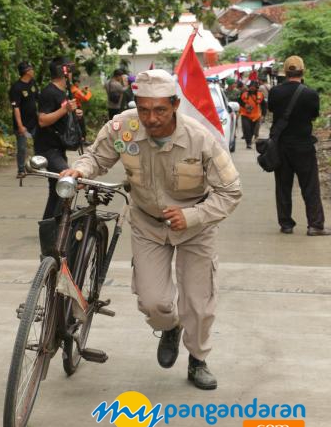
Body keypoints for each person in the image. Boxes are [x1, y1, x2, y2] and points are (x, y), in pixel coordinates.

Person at [62, 69, 242, 389]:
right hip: (147, 223)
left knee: (198, 303)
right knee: (152, 302)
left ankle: (198, 359)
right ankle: (170, 327)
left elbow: (231, 192)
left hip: (195, 228)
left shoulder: (200, 139)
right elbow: (96, 158)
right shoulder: (123, 127)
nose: (151, 118)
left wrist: (194, 216)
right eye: (144, 109)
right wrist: (79, 170)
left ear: (174, 104)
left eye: (160, 109)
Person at [268, 56, 330, 236]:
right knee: (310, 186)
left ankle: (286, 224)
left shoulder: (275, 92)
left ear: (285, 72)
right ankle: (315, 225)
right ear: (302, 72)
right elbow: (313, 115)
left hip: (281, 147)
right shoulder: (311, 94)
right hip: (303, 146)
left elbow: (272, 110)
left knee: (283, 186)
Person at [34, 57, 82, 220]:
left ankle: (50, 225)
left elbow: (62, 115)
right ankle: (54, 225)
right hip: (48, 148)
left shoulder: (63, 92)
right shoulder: (49, 92)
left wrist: (73, 113)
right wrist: (65, 110)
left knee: (57, 189)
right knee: (66, 181)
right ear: (64, 72)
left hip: (58, 147)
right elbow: (42, 120)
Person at [9, 61, 39, 178]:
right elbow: (16, 108)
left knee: (39, 144)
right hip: (22, 123)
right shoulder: (16, 88)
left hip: (34, 121)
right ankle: (21, 170)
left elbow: (38, 98)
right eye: (31, 69)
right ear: (26, 72)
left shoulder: (32, 83)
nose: (33, 71)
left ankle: (36, 166)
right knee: (22, 147)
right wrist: (20, 126)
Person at [239, 81, 265, 148]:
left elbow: (264, 105)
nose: (252, 88)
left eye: (254, 87)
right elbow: (239, 101)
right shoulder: (244, 94)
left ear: (256, 87)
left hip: (256, 116)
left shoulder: (260, 95)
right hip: (245, 114)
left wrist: (263, 115)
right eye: (251, 87)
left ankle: (250, 139)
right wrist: (245, 105)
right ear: (249, 87)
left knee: (252, 130)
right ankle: (248, 143)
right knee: (246, 129)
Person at [71, 73, 92, 144]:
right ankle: (83, 139)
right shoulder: (76, 91)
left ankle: (78, 139)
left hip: (73, 108)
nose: (79, 84)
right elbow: (86, 98)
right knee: (81, 124)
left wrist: (82, 90)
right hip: (78, 108)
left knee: (75, 124)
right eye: (78, 82)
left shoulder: (72, 88)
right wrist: (89, 92)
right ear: (76, 83)